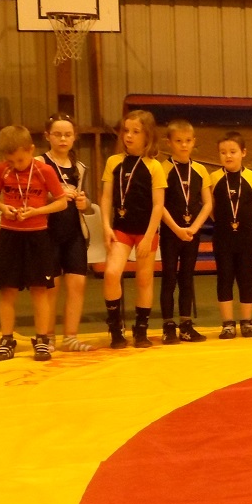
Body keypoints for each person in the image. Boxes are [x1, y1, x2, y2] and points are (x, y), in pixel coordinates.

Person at [0, 125, 68, 362]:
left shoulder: (44, 171)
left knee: (39, 289)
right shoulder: (1, 170)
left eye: (20, 160)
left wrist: (36, 211)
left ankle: (42, 339)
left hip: (37, 235)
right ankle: (6, 340)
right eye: (10, 160)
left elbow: (62, 202)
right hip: (9, 234)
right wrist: (3, 207)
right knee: (7, 289)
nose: (16, 164)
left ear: (31, 150)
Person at [100, 110, 166, 348]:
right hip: (121, 229)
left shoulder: (154, 166)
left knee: (144, 280)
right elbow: (106, 197)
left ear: (147, 136)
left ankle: (141, 329)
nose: (128, 136)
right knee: (111, 273)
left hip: (146, 231)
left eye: (135, 132)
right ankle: (115, 327)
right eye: (126, 131)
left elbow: (158, 205)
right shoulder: (114, 162)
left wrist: (148, 237)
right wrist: (106, 226)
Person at [41, 114, 94, 351]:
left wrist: (85, 203)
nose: (63, 139)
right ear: (47, 136)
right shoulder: (39, 164)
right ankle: (47, 336)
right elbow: (30, 197)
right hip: (47, 231)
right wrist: (56, 196)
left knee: (77, 283)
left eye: (68, 135)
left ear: (74, 137)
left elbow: (88, 205)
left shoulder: (80, 168)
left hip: (74, 232)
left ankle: (70, 337)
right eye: (58, 134)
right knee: (50, 286)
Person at [159, 120, 213, 344]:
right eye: (178, 141)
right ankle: (168, 326)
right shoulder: (162, 169)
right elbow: (159, 204)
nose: (183, 145)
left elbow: (207, 203)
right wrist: (176, 228)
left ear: (194, 142)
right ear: (169, 142)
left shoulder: (200, 170)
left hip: (192, 232)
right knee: (169, 276)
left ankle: (186, 325)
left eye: (188, 141)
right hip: (170, 231)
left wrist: (194, 227)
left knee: (187, 277)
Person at [208, 132, 252, 339]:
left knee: (246, 277)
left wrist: (247, 226)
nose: (228, 156)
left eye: (233, 152)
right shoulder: (214, 178)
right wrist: (224, 224)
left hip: (246, 237)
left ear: (243, 153)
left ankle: (247, 322)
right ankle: (228, 323)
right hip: (223, 236)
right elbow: (211, 207)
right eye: (223, 152)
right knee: (224, 277)